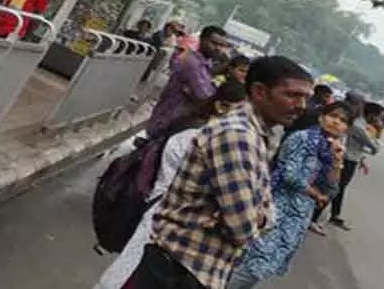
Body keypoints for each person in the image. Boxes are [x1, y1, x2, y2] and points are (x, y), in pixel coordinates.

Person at [123, 56, 314, 289]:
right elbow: (242, 228)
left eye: (306, 98)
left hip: (191, 268)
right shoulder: (237, 137)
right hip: (179, 271)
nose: (301, 106)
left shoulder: (256, 136)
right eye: (292, 95)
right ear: (260, 92)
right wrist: (256, 214)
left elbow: (261, 211)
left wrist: (252, 213)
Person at [225, 102, 354, 289]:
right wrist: (314, 193)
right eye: (333, 116)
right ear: (321, 117)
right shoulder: (302, 138)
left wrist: (336, 162)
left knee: (261, 266)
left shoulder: (331, 151)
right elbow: (289, 174)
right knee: (253, 265)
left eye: (343, 121)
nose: (336, 122)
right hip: (278, 207)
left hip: (297, 218)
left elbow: (331, 190)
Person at [95, 99, 220, 289]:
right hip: (162, 216)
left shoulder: (192, 129)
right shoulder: (197, 139)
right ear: (220, 107)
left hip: (158, 211)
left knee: (127, 267)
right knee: (129, 268)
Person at [144, 25, 233, 138]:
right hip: (167, 123)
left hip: (177, 124)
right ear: (202, 40)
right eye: (214, 43)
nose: (218, 48)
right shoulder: (192, 64)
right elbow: (204, 98)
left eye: (221, 45)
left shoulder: (205, 65)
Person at [310, 91, 378, 232]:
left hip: (342, 156)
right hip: (344, 157)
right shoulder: (355, 123)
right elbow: (372, 145)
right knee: (332, 187)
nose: (338, 122)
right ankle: (314, 217)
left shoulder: (353, 120)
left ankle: (324, 215)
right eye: (361, 104)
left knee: (333, 187)